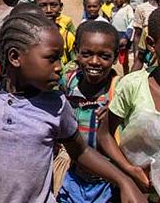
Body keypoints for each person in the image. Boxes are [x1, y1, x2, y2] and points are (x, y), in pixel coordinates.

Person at [0, 12, 146, 202]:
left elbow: (79, 150)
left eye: (60, 58)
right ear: (15, 57)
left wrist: (124, 180)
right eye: (51, 59)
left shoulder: (56, 104)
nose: (59, 67)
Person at [98, 4, 160, 201]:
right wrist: (129, 170)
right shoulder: (133, 86)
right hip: (138, 193)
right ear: (151, 44)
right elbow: (105, 134)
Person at [57, 21, 122, 202]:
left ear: (115, 57)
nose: (94, 62)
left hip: (109, 181)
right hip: (72, 176)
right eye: (86, 54)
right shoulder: (67, 82)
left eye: (104, 56)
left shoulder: (120, 91)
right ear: (77, 51)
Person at [34, 0, 76, 66]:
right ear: (34, 7)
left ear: (60, 7)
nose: (49, 10)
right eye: (42, 5)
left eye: (53, 5)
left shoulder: (67, 36)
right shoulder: (29, 35)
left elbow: (75, 63)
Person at [110, 0, 135, 75]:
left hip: (124, 36)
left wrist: (126, 37)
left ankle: (126, 76)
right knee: (111, 57)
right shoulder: (113, 9)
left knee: (124, 59)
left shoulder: (128, 8)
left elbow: (132, 22)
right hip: (114, 36)